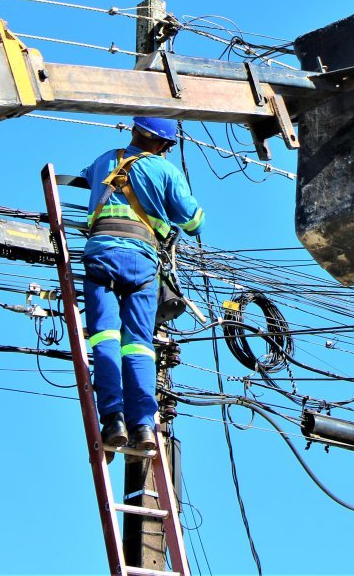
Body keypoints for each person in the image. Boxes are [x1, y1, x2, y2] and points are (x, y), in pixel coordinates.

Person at [79, 116, 205, 454]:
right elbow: (193, 221)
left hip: (102, 253)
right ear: (164, 145)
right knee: (138, 345)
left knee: (104, 336)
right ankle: (144, 426)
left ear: (134, 131)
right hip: (142, 262)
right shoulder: (166, 171)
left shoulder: (107, 159)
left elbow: (87, 176)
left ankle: (113, 419)